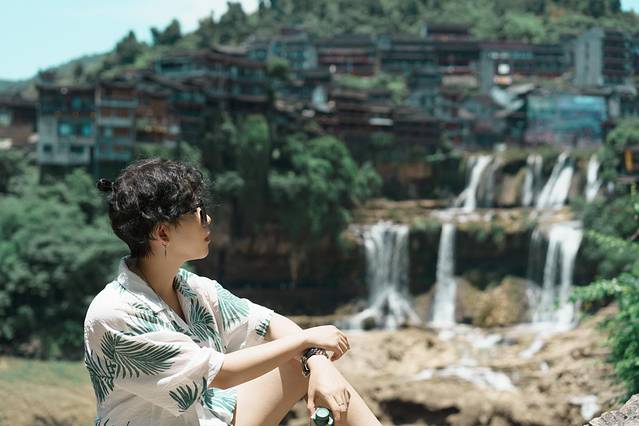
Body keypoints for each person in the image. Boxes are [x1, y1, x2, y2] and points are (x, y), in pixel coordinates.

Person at [84, 158, 381, 426]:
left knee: (297, 361)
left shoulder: (193, 289)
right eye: (198, 212)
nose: (208, 220)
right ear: (162, 232)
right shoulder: (116, 313)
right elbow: (221, 374)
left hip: (211, 419)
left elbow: (269, 324)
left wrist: (317, 361)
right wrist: (306, 340)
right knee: (293, 351)